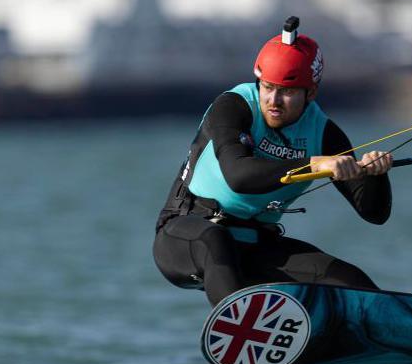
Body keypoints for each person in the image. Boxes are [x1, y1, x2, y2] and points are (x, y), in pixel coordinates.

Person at [153, 17, 393, 307]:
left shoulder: (323, 133)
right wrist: (315, 165)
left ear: (311, 93)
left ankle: (401, 336)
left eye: (288, 91)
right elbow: (238, 177)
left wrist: (375, 174)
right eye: (267, 87)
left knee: (350, 282)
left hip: (256, 245)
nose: (274, 101)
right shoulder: (234, 106)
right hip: (186, 235)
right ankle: (240, 329)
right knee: (216, 241)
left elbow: (374, 213)